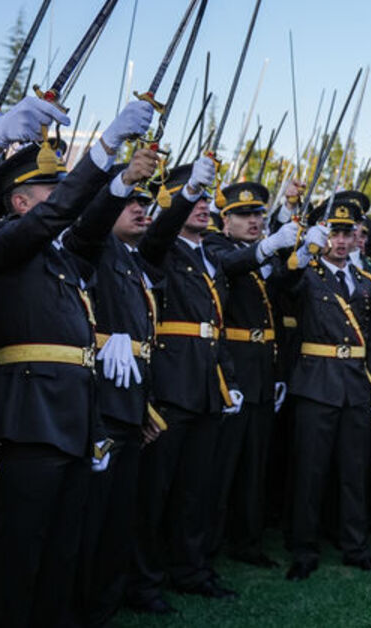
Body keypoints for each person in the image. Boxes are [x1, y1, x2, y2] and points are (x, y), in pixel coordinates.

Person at [0, 100, 154, 627]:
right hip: (29, 418)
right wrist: (103, 148)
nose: (62, 200)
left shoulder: (60, 256)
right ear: (21, 202)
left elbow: (89, 227)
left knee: (62, 552)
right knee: (18, 554)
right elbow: (59, 215)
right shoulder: (0, 242)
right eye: (50, 193)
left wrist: (120, 180)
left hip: (73, 419)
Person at [130, 156, 241, 612]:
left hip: (206, 384)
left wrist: (227, 379)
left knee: (196, 490)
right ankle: (144, 581)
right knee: (155, 492)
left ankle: (190, 569)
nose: (202, 206)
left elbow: (216, 325)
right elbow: (158, 235)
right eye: (190, 198)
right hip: (172, 384)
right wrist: (185, 194)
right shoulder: (158, 246)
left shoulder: (210, 255)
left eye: (203, 198)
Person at [69, 159, 163, 627]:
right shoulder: (94, 246)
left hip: (129, 401)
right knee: (92, 516)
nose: (141, 209)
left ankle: (105, 603)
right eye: (131, 202)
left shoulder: (132, 260)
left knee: (118, 516)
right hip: (99, 402)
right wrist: (118, 184)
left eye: (146, 202)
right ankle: (82, 605)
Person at [283, 195, 371, 580]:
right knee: (310, 472)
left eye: (348, 233)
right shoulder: (307, 273)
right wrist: (301, 251)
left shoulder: (364, 280)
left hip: (355, 385)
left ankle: (356, 546)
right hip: (317, 382)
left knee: (354, 471)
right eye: (334, 233)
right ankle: (304, 549)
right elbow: (284, 283)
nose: (341, 241)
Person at [205, 182, 299, 568]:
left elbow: (281, 291)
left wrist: (300, 254)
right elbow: (231, 265)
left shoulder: (262, 254)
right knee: (222, 465)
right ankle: (207, 546)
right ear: (225, 220)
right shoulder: (216, 246)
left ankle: (248, 541)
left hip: (261, 369)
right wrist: (270, 245)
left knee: (254, 465)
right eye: (244, 215)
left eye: (258, 214)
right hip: (233, 369)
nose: (254, 221)